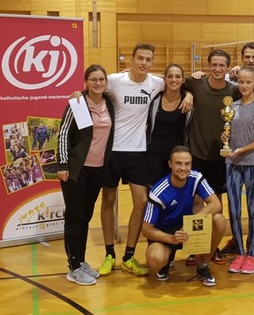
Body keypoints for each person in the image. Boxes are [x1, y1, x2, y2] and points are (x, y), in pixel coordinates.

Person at [98, 43, 165, 278]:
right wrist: (79, 94)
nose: (144, 63)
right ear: (132, 60)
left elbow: (180, 84)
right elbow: (94, 88)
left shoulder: (156, 83)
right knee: (108, 198)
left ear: (152, 62)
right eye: (140, 58)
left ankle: (128, 256)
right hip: (112, 151)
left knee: (142, 201)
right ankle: (109, 254)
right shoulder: (115, 80)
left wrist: (188, 94)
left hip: (137, 151)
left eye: (148, 59)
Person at [57, 64, 116, 285]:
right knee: (75, 217)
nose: (98, 83)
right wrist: (63, 164)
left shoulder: (109, 103)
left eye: (101, 79)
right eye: (93, 79)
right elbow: (64, 134)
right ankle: (73, 267)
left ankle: (80, 261)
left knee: (85, 217)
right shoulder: (78, 103)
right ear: (86, 82)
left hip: (97, 170)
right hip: (76, 170)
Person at [180, 49, 239, 262]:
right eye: (214, 64)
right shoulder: (196, 83)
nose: (217, 69)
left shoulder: (234, 91)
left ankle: (212, 248)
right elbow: (173, 80)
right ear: (208, 66)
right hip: (197, 154)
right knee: (196, 200)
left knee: (216, 202)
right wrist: (188, 93)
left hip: (221, 156)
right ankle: (196, 246)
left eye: (222, 65)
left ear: (227, 67)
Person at [142, 146, 226, 287]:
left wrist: (191, 222)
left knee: (219, 220)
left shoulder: (195, 178)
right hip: (166, 234)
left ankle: (203, 266)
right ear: (170, 164)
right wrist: (172, 239)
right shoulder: (158, 192)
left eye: (187, 164)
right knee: (155, 260)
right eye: (178, 163)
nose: (183, 168)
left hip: (187, 229)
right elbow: (146, 230)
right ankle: (166, 260)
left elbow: (216, 204)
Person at [222, 67, 254, 275]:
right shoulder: (232, 106)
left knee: (253, 209)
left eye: (248, 82)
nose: (244, 85)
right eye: (241, 82)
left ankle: (251, 254)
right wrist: (225, 138)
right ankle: (239, 252)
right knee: (234, 210)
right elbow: (229, 132)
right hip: (232, 163)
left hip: (253, 163)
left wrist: (243, 149)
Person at [145, 63, 190, 186]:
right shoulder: (154, 99)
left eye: (177, 76)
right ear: (164, 79)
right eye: (169, 76)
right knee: (154, 191)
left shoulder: (188, 102)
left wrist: (189, 94)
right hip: (153, 154)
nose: (173, 80)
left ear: (183, 80)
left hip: (177, 155)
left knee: (174, 191)